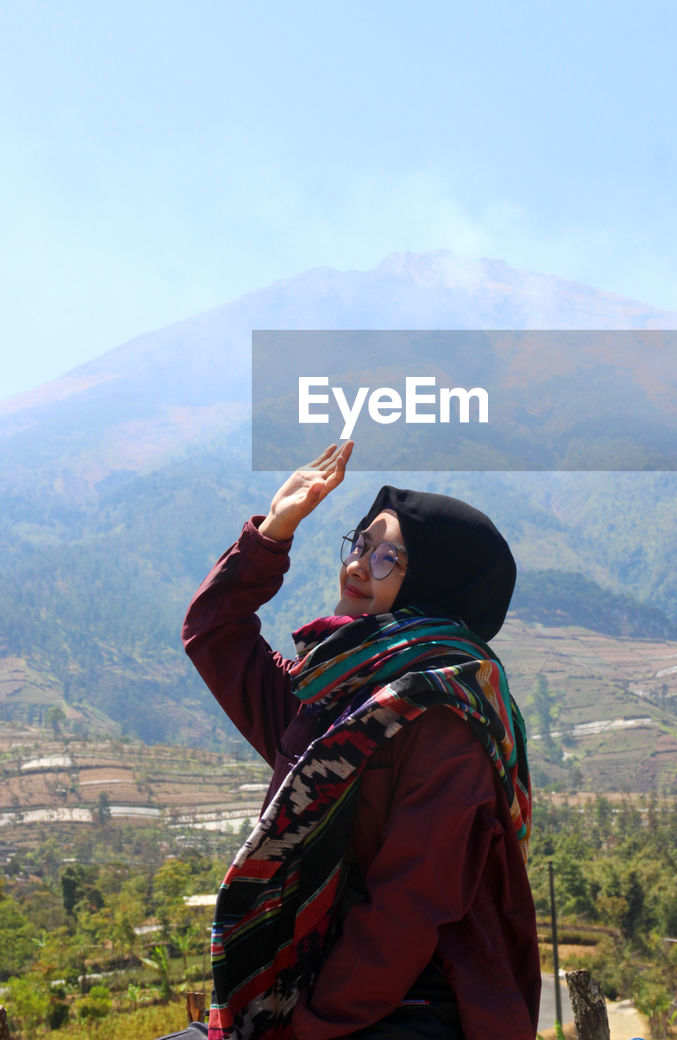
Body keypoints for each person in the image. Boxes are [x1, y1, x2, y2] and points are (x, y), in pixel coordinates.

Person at [182, 443, 540, 1040]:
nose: (356, 564)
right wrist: (275, 531)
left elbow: (408, 908)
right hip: (309, 991)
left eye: (388, 557)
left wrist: (306, 1029)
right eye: (361, 544)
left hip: (415, 1006)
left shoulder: (446, 715)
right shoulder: (330, 700)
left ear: (433, 586)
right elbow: (214, 634)